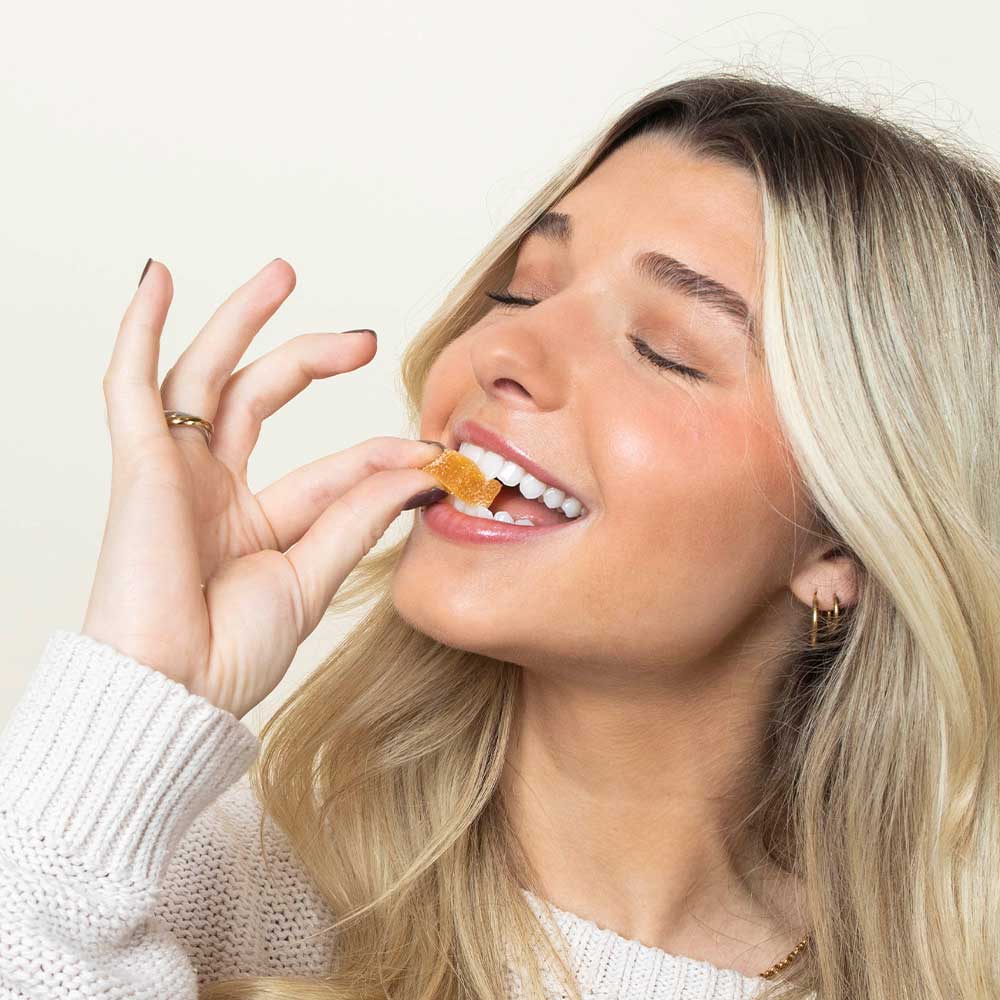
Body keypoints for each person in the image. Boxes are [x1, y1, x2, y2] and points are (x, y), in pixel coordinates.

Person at [1, 69, 997, 1000]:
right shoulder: (189, 885)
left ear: (840, 543)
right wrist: (136, 685)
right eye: (520, 290)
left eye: (664, 349)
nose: (500, 348)